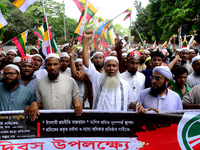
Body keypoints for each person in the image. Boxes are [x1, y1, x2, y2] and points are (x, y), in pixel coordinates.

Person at [82, 29, 145, 113]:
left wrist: (137, 105)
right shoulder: (97, 78)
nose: (111, 68)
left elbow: (129, 102)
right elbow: (87, 64)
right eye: (108, 66)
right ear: (104, 67)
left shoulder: (125, 84)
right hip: (100, 122)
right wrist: (85, 41)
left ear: (118, 68)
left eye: (114, 66)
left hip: (118, 123)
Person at [27, 53, 82, 121]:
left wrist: (77, 101)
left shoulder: (70, 81)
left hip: (65, 122)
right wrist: (34, 104)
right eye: (49, 64)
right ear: (45, 65)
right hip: (48, 123)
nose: (52, 67)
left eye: (55, 64)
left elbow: (76, 97)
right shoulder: (40, 83)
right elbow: (40, 102)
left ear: (60, 65)